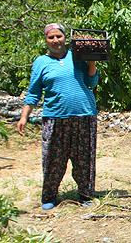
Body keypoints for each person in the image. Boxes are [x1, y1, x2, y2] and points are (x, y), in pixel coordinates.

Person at [16, 23, 100, 211]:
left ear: (65, 38)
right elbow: (33, 93)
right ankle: (49, 196)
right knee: (53, 158)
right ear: (46, 40)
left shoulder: (77, 56)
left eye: (59, 36)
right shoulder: (41, 63)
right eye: (51, 37)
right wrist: (24, 117)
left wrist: (91, 61)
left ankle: (86, 194)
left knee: (84, 158)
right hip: (55, 117)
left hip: (84, 114)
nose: (55, 40)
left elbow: (92, 82)